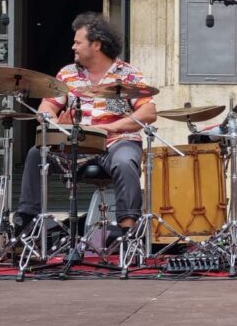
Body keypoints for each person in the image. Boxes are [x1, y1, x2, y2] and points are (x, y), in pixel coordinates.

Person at [15, 12, 157, 242]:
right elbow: (46, 107)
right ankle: (28, 223)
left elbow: (148, 112)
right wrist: (55, 123)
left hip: (115, 142)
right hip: (76, 144)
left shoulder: (128, 74)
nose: (73, 47)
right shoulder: (68, 74)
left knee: (125, 161)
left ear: (97, 45)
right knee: (36, 153)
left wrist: (113, 127)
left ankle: (128, 230)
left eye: (78, 42)